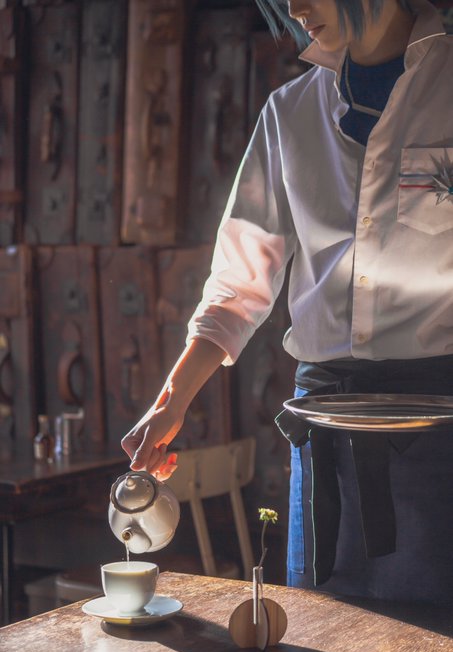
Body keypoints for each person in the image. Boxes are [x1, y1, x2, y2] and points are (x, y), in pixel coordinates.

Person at [122, 0, 453, 604]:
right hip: (322, 424)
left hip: (438, 425)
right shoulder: (289, 113)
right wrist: (170, 403)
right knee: (320, 627)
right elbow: (238, 285)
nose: (296, 10)